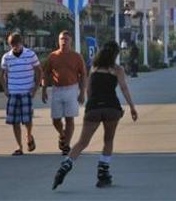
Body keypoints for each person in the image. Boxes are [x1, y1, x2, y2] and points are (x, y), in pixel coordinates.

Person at [52, 41, 138, 190]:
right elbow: (124, 88)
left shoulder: (94, 68)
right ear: (115, 55)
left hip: (94, 108)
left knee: (82, 142)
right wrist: (132, 107)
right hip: (112, 108)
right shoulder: (117, 70)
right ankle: (103, 173)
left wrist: (91, 104)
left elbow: (89, 91)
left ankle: (65, 166)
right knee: (108, 140)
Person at [42, 30, 86, 155]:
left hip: (72, 89)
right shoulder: (53, 56)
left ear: (70, 41)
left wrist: (82, 92)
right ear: (58, 41)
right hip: (57, 90)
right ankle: (62, 135)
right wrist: (44, 89)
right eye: (61, 39)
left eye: (66, 39)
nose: (63, 41)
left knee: (69, 119)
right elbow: (46, 73)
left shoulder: (76, 57)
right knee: (56, 119)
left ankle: (66, 145)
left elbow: (83, 74)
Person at [0, 33, 42, 156]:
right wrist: (5, 89)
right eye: (12, 44)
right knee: (14, 121)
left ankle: (29, 136)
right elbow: (1, 75)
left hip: (26, 90)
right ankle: (19, 146)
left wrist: (35, 88)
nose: (15, 47)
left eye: (16, 44)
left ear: (21, 43)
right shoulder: (6, 57)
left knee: (27, 119)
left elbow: (39, 71)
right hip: (13, 91)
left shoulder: (30, 54)